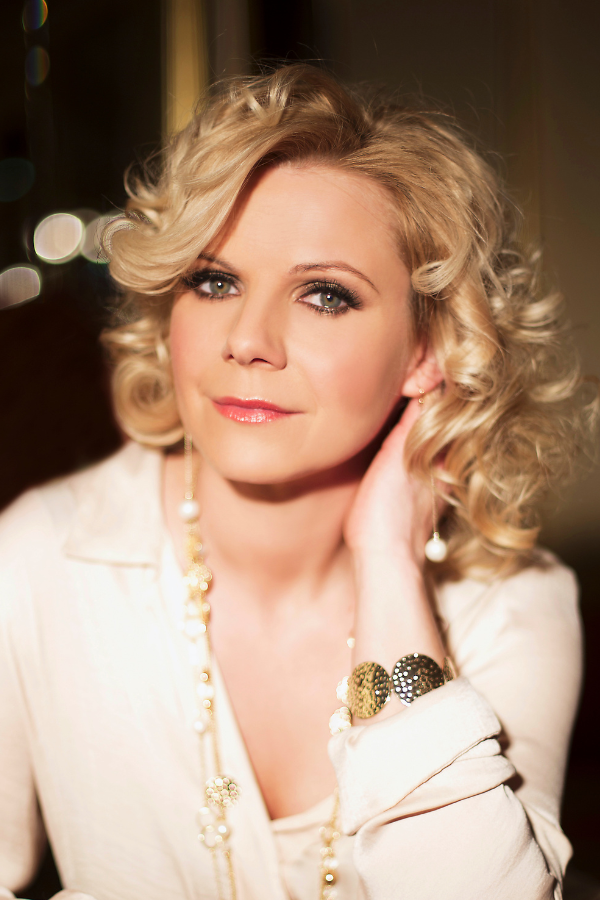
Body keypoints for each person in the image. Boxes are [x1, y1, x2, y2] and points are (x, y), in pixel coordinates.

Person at [0, 64, 595, 900]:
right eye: (214, 281)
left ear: (428, 351)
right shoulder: (41, 560)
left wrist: (387, 560)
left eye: (324, 295)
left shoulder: (510, 604)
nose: (248, 339)